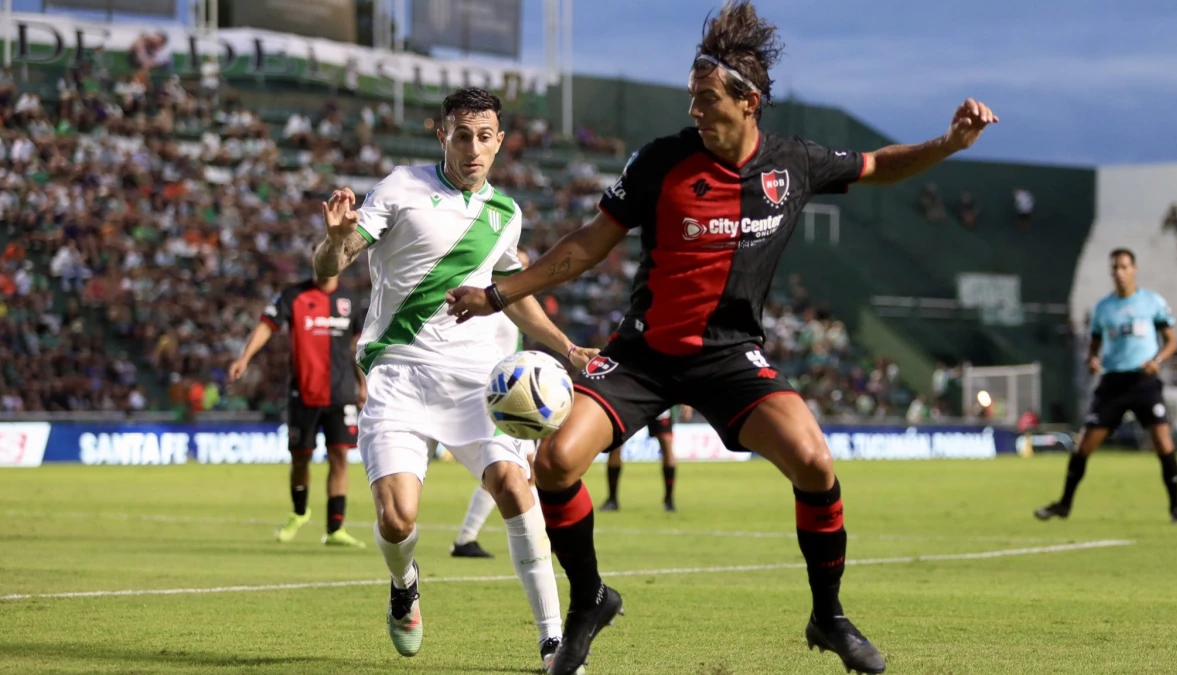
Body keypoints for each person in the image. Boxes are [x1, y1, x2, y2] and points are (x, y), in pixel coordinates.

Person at [445, 3, 997, 672]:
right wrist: (500, 294)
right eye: (692, 97)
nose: (695, 110)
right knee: (556, 461)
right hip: (642, 356)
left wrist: (948, 144)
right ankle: (589, 599)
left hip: (730, 356)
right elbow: (587, 244)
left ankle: (828, 617)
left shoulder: (793, 163)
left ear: (748, 101)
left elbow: (879, 164)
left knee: (815, 462)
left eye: (706, 99)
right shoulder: (661, 161)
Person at [312, 87, 597, 672]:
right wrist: (336, 240)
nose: (473, 148)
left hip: (475, 382)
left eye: (484, 136)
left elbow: (514, 295)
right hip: (398, 372)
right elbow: (330, 265)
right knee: (397, 519)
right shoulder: (401, 187)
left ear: (500, 142)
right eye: (461, 135)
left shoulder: (505, 215)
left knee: (515, 486)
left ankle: (553, 642)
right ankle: (404, 584)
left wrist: (566, 348)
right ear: (442, 135)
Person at [1035, 248, 1177, 525]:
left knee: (1163, 442)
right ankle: (1064, 504)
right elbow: (1094, 345)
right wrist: (1092, 359)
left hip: (1144, 381)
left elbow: (1171, 341)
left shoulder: (1152, 302)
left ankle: (1176, 510)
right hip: (1113, 382)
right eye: (1115, 267)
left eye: (1124, 267)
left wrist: (1158, 360)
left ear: (1134, 269)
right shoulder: (1103, 308)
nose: (1119, 272)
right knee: (1084, 445)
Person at [229, 274, 368, 548]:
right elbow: (267, 325)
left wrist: (362, 384)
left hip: (340, 393)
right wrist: (245, 357)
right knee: (300, 458)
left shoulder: (350, 301)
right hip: (303, 393)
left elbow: (357, 347)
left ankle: (335, 528)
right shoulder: (293, 295)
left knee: (340, 455)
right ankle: (299, 512)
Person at [451, 247, 537, 559]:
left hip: (511, 392)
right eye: (516, 265)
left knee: (523, 470)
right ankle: (540, 538)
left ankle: (467, 538)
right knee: (512, 469)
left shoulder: (515, 302)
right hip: (498, 393)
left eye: (524, 267)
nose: (520, 271)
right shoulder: (492, 307)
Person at [600, 406, 685, 512]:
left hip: (656, 401)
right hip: (630, 402)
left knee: (666, 442)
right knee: (616, 444)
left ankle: (669, 500)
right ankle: (612, 499)